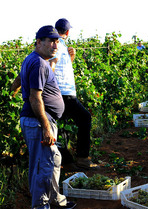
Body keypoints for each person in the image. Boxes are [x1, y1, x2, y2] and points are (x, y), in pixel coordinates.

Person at [15, 25, 76, 209]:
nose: (55, 44)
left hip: (38, 121)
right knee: (43, 165)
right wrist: (46, 127)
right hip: (38, 122)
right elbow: (35, 98)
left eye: (57, 41)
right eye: (51, 41)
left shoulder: (35, 60)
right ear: (38, 42)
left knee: (53, 159)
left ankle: (55, 199)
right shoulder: (39, 63)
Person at [49, 18, 98, 170]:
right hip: (63, 93)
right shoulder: (57, 44)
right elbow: (52, 64)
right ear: (68, 32)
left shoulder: (61, 45)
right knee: (84, 118)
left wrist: (71, 58)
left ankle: (67, 160)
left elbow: (60, 66)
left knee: (61, 125)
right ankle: (80, 159)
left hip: (62, 92)